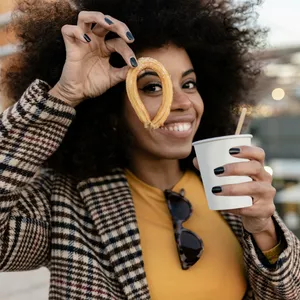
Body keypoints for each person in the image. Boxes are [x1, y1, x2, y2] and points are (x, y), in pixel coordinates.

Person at [0, 0, 299, 299]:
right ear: (112, 109)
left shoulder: (231, 194)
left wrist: (264, 231)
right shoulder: (64, 205)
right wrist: (64, 95)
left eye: (190, 83)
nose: (182, 102)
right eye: (152, 87)